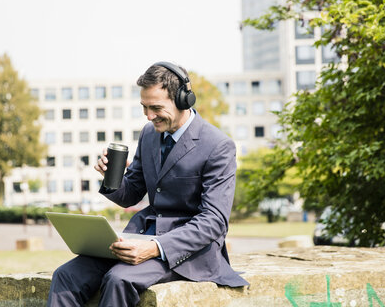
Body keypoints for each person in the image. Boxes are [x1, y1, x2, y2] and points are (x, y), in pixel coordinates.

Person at [47, 62, 249, 307]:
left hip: (188, 253)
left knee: (118, 278)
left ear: (184, 100)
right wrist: (112, 180)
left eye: (156, 108)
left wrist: (155, 247)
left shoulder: (218, 146)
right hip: (140, 237)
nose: (149, 116)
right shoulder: (149, 134)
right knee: (66, 276)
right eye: (144, 107)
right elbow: (131, 194)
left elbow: (214, 221)